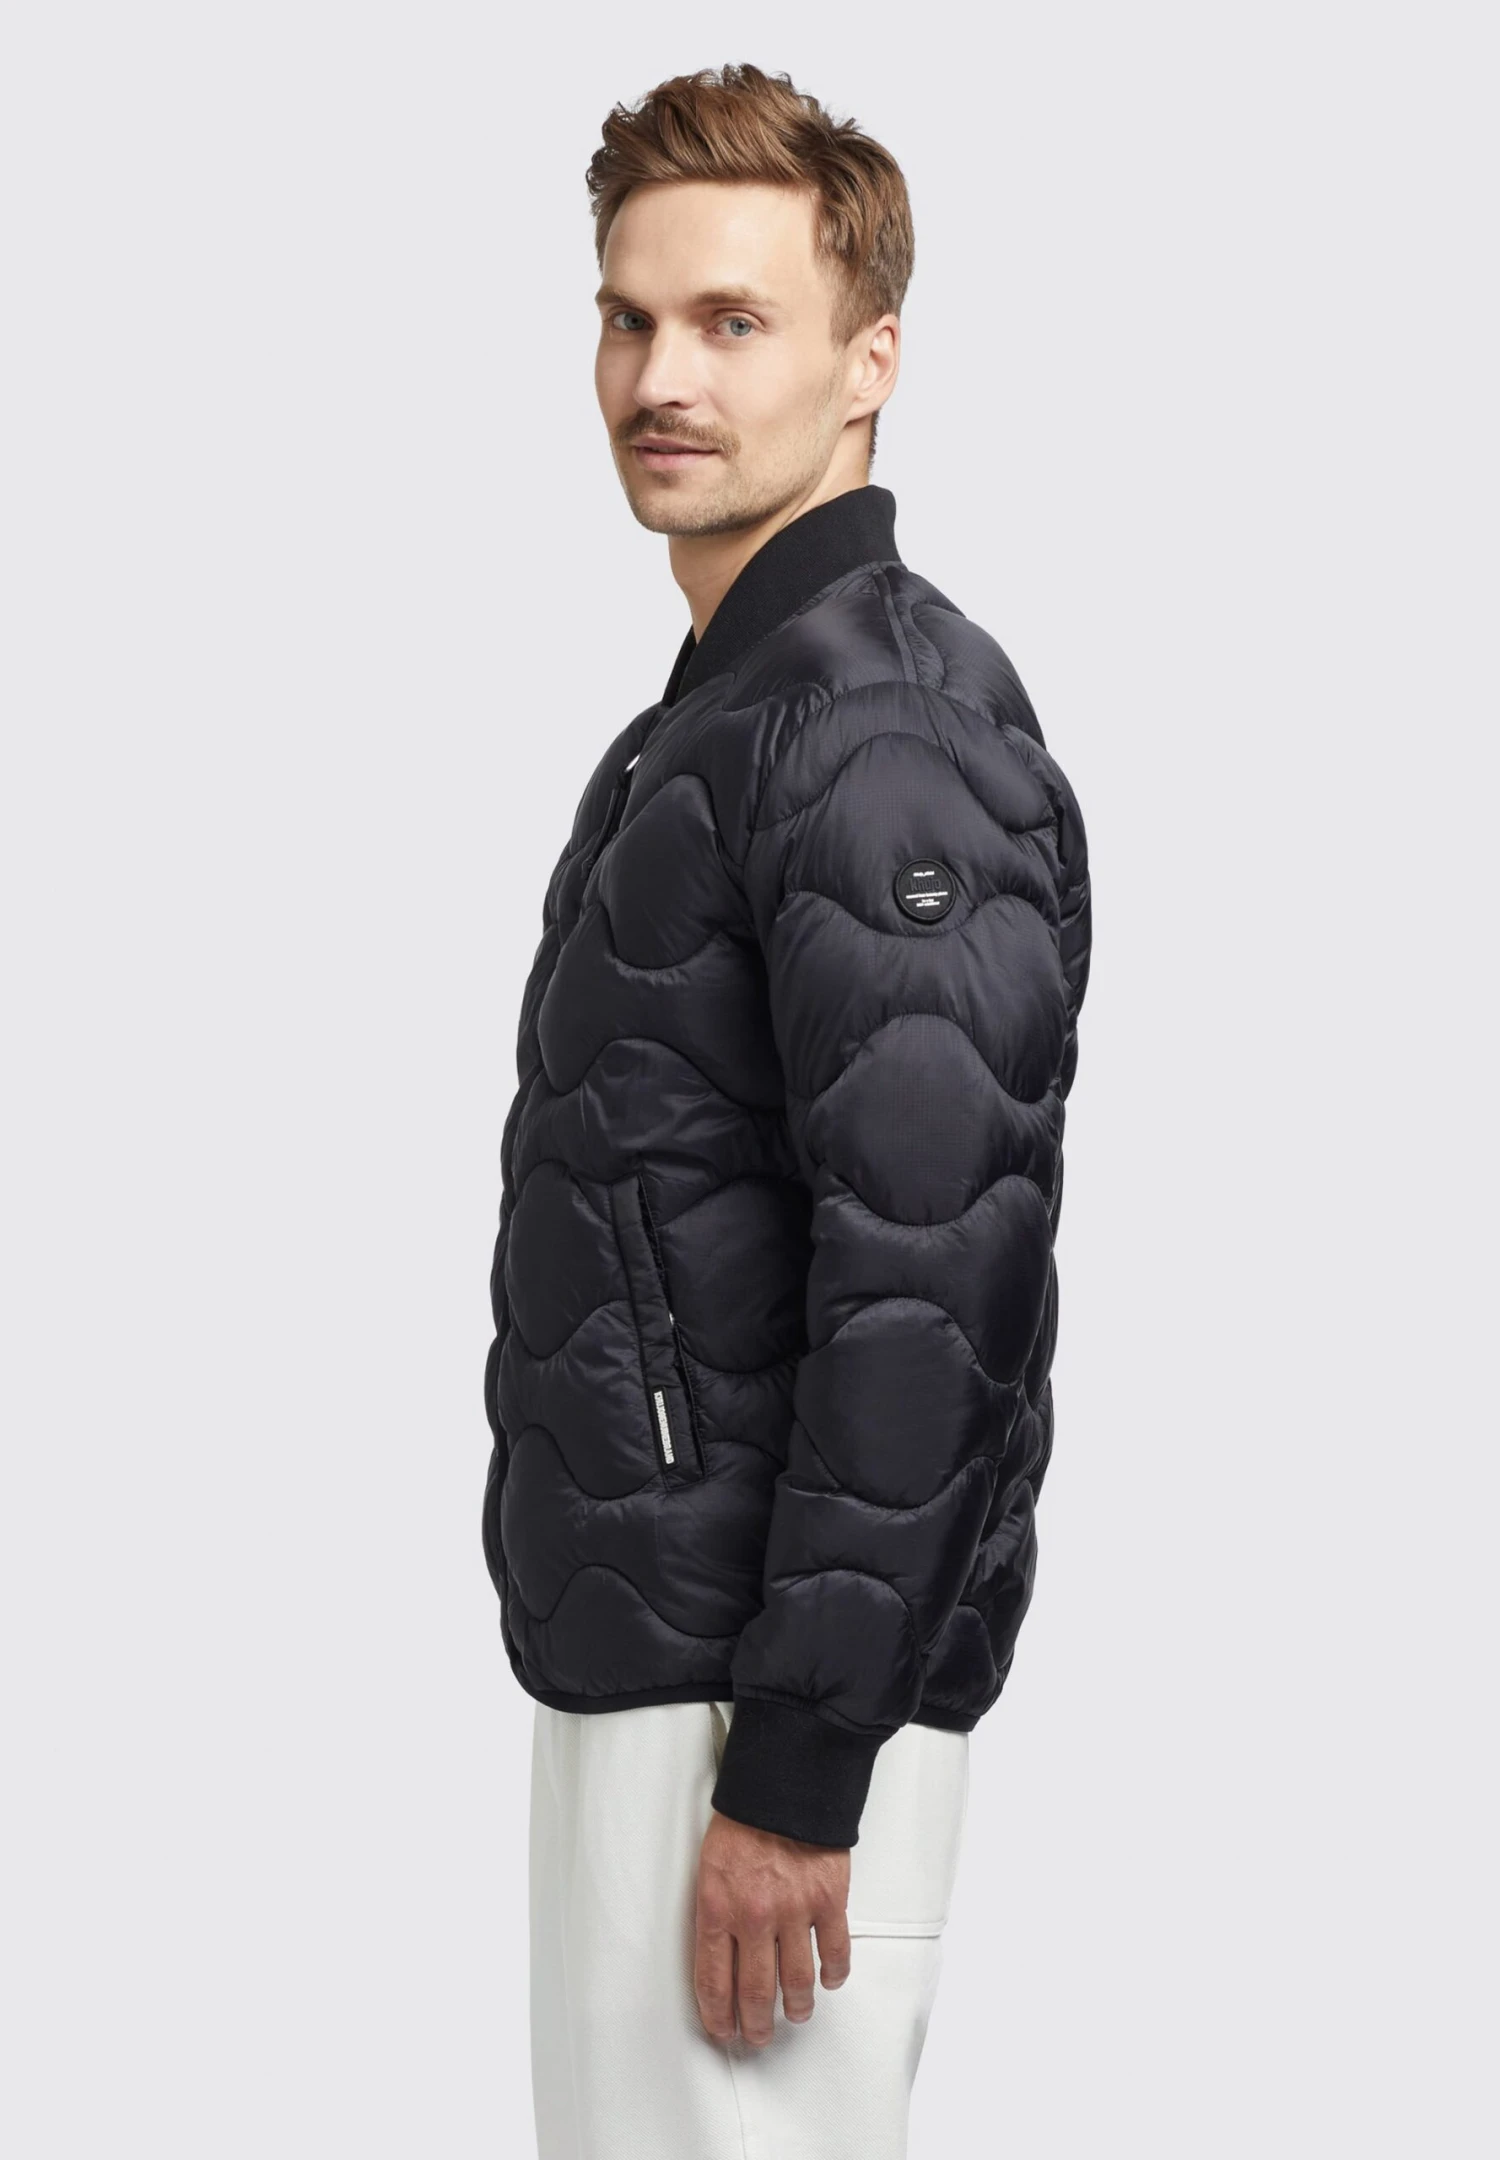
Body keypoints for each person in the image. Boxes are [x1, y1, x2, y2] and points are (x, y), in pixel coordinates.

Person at [481, 62, 1093, 2160]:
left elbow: (937, 1273)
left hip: (756, 1717)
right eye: (629, 316)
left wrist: (802, 1765)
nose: (661, 376)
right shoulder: (749, 707)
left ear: (868, 362)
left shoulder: (874, 728)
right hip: (672, 1665)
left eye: (732, 320)